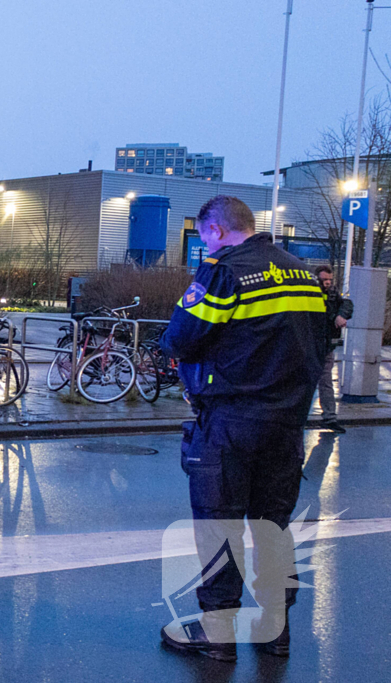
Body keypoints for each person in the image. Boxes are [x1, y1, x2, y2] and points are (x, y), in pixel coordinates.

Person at [159, 196, 326, 662]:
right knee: (273, 527)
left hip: (232, 419)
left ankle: (218, 633)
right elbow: (319, 342)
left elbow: (182, 337)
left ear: (214, 230)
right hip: (288, 423)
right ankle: (276, 630)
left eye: (205, 235)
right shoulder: (301, 272)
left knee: (220, 526)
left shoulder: (224, 271)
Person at [314, 265, 353, 434]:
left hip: (325, 345)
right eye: (324, 280)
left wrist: (341, 315)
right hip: (309, 345)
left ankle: (329, 417)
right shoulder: (309, 294)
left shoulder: (333, 294)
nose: (328, 283)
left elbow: (347, 304)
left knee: (326, 382)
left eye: (330, 279)